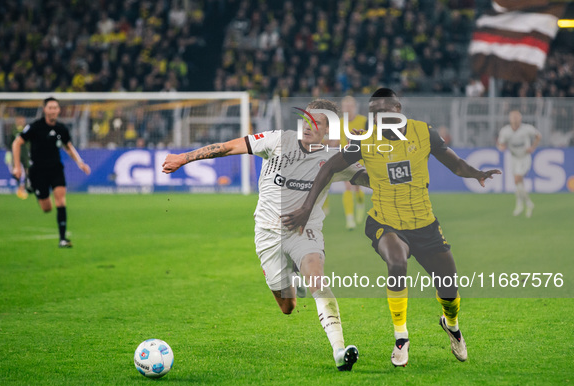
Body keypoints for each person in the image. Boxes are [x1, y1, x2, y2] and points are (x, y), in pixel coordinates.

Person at [282, 88, 501, 367]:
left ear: (398, 109)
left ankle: (452, 325)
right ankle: (401, 338)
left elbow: (454, 163)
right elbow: (328, 168)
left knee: (449, 287)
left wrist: (477, 173)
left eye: (385, 111)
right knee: (396, 261)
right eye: (374, 113)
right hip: (384, 222)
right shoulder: (364, 140)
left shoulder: (424, 133)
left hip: (425, 225)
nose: (379, 117)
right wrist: (306, 207)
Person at [162, 99, 369, 371]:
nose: (308, 127)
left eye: (317, 123)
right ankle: (293, 275)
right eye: (306, 120)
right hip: (267, 234)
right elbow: (228, 147)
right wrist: (183, 158)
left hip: (303, 232)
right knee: (288, 306)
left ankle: (340, 352)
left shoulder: (333, 159)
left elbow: (368, 179)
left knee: (317, 278)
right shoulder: (277, 140)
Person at [12, 97, 91, 248]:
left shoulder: (62, 128)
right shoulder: (35, 127)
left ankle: (62, 239)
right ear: (45, 110)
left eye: (56, 108)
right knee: (47, 208)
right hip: (38, 171)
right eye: (50, 108)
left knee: (61, 201)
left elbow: (68, 146)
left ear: (59, 110)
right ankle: (34, 187)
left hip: (55, 169)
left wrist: (80, 162)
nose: (53, 110)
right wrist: (17, 167)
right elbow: (17, 142)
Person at [497, 110, 541, 218]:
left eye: (517, 117)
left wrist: (533, 147)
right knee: (518, 183)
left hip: (524, 157)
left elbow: (538, 136)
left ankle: (524, 204)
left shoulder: (526, 129)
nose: (515, 119)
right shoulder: (505, 131)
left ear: (520, 118)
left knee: (517, 179)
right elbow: (500, 143)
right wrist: (501, 147)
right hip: (514, 158)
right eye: (513, 117)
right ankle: (524, 204)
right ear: (510, 119)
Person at [333, 96, 368, 230]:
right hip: (346, 158)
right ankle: (350, 219)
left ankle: (360, 203)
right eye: (345, 106)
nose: (347, 109)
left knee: (357, 187)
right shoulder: (340, 123)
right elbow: (337, 140)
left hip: (362, 158)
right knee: (347, 186)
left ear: (354, 107)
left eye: (350, 106)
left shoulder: (364, 121)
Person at [5, 116, 31, 199]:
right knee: (17, 171)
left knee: (27, 170)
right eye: (19, 120)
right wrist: (9, 153)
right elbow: (10, 143)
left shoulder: (27, 130)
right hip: (17, 154)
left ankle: (26, 187)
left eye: (22, 120)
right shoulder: (14, 131)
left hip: (26, 154)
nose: (21, 122)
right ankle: (19, 187)